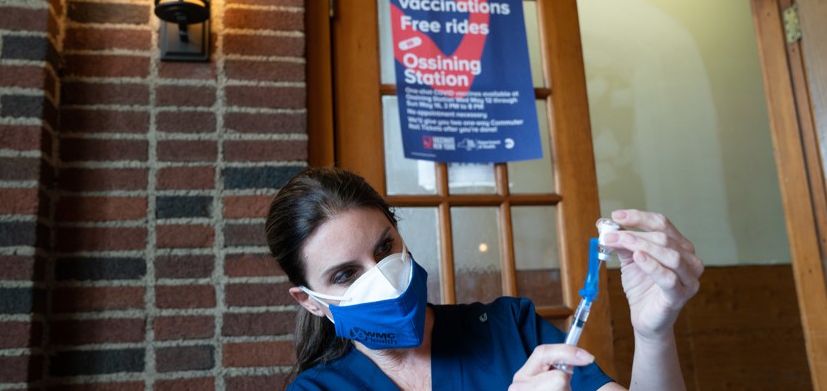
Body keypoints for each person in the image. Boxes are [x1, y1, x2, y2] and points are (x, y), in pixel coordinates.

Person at [265, 167, 703, 390]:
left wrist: (653, 334)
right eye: (346, 274)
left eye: (384, 248)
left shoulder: (508, 329)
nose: (382, 277)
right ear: (311, 301)